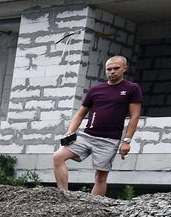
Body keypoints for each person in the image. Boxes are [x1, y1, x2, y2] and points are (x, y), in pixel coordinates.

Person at [53, 55, 143, 197]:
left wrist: (127, 141)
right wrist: (70, 132)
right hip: (87, 135)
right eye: (109, 69)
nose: (112, 71)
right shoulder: (96, 90)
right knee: (58, 156)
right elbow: (80, 113)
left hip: (109, 140)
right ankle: (64, 196)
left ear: (124, 69)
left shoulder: (132, 88)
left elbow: (135, 116)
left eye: (116, 68)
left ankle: (94, 207)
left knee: (100, 177)